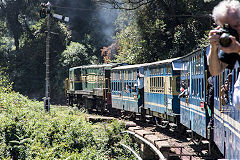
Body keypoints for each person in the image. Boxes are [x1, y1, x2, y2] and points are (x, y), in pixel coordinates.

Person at [208, 0, 240, 109]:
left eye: (236, 25)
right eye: (227, 27)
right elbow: (215, 70)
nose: (233, 30)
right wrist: (213, 48)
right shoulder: (233, 41)